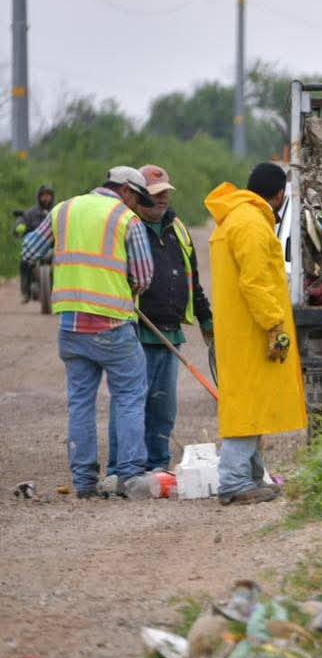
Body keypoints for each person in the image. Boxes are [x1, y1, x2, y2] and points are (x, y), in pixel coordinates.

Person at [21, 168, 155, 498]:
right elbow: (143, 278)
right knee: (129, 396)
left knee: (80, 402)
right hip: (112, 325)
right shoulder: (127, 220)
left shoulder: (64, 209)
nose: (138, 206)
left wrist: (65, 258)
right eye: (138, 199)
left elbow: (28, 251)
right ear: (126, 191)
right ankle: (130, 475)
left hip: (71, 326)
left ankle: (83, 482)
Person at [205, 163, 307, 505]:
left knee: (253, 403)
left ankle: (251, 477)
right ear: (279, 195)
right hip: (251, 330)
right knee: (247, 406)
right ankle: (234, 481)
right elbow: (254, 283)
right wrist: (274, 326)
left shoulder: (236, 219)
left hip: (240, 331)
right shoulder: (250, 224)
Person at [104, 165, 214, 476]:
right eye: (155, 194)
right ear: (138, 197)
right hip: (137, 331)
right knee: (131, 404)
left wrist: (206, 318)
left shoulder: (177, 228)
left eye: (166, 192)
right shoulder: (127, 227)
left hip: (170, 332)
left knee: (164, 407)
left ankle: (157, 465)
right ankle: (123, 468)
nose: (163, 199)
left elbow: (192, 279)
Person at [15, 183, 55, 302]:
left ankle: (68, 295)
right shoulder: (30, 213)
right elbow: (21, 221)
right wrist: (19, 227)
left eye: (48, 195)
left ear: (52, 197)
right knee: (24, 262)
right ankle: (26, 292)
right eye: (43, 195)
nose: (46, 198)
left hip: (55, 249)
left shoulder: (57, 211)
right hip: (35, 250)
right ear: (39, 197)